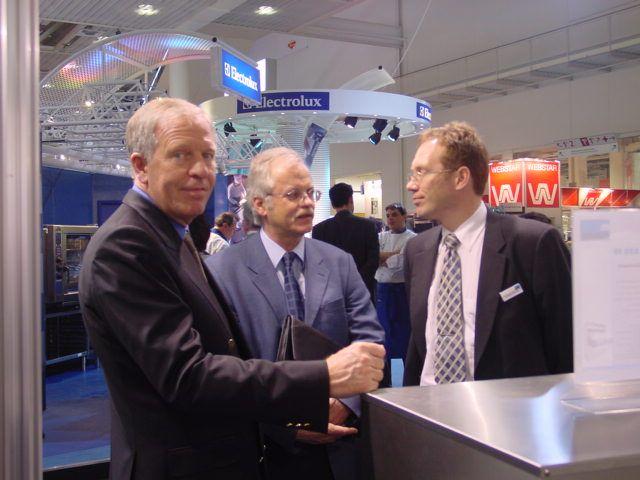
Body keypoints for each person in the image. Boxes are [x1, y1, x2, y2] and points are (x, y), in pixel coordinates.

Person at [78, 98, 385, 480]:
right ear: (141, 166)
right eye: (180, 155)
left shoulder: (170, 236)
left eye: (208, 156)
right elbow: (188, 377)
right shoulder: (128, 245)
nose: (200, 171)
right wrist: (322, 377)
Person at [206, 147, 385, 480]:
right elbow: (223, 368)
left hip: (341, 445)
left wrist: (345, 404)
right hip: (265, 450)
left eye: (310, 193)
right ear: (260, 204)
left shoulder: (339, 263)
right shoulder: (222, 272)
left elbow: (369, 339)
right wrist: (285, 424)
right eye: (293, 194)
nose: (307, 203)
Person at [403, 121, 572, 386]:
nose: (411, 185)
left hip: (508, 408)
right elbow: (419, 343)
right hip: (430, 405)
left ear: (461, 177)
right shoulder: (417, 250)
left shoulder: (532, 244)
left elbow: (565, 348)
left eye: (421, 172)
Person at [312, 182, 379, 301]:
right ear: (350, 199)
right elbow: (373, 261)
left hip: (332, 293)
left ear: (332, 204)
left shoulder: (319, 230)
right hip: (362, 292)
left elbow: (318, 264)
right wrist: (356, 283)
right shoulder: (368, 226)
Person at [375, 203, 416, 363]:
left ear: (404, 216)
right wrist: (393, 254)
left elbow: (399, 263)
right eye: (388, 215)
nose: (390, 218)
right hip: (382, 290)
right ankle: (386, 372)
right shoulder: (381, 237)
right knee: (384, 333)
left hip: (401, 291)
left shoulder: (412, 238)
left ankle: (404, 372)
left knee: (402, 333)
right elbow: (372, 257)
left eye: (394, 215)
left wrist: (383, 257)